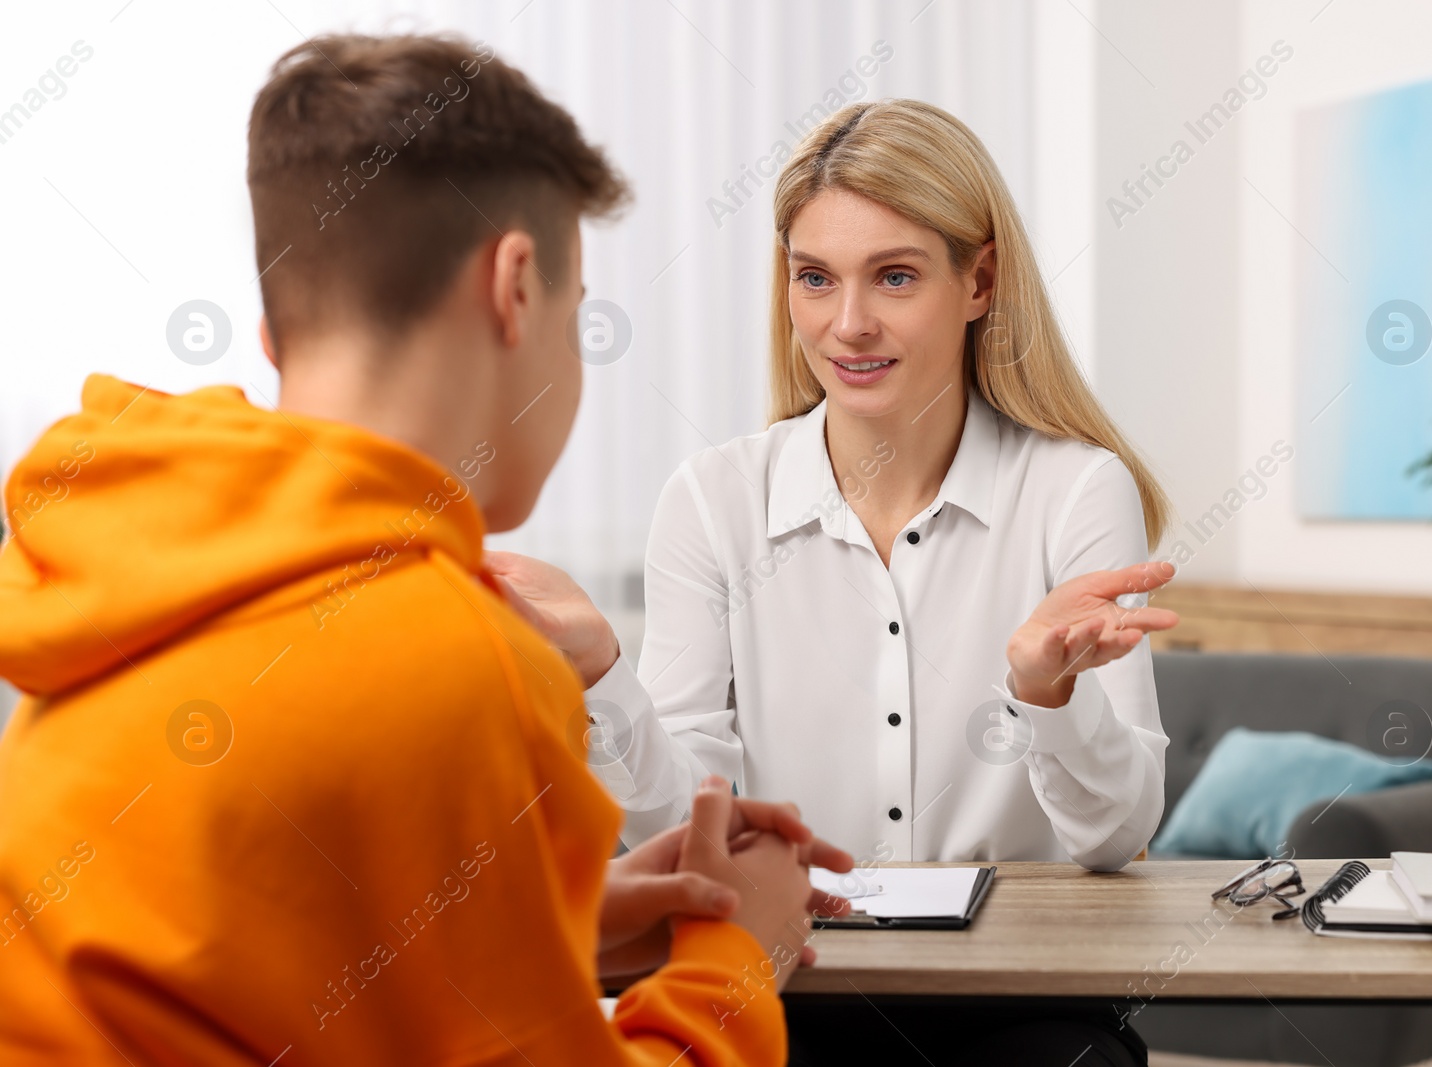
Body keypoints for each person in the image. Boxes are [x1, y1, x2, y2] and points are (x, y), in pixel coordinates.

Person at [0, 33, 851, 1067]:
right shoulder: (458, 653)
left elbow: (237, 961)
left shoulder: (132, 573)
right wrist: (738, 953)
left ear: (280, 334)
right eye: (578, 317)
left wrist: (556, 910)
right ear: (516, 285)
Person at [488, 100, 1182, 1066]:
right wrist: (606, 674)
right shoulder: (714, 498)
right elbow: (688, 823)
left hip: (1026, 1004)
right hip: (789, 990)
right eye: (815, 278)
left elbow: (1117, 835)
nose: (848, 324)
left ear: (980, 280)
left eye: (894, 276)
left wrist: (1047, 696)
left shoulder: (1073, 489)